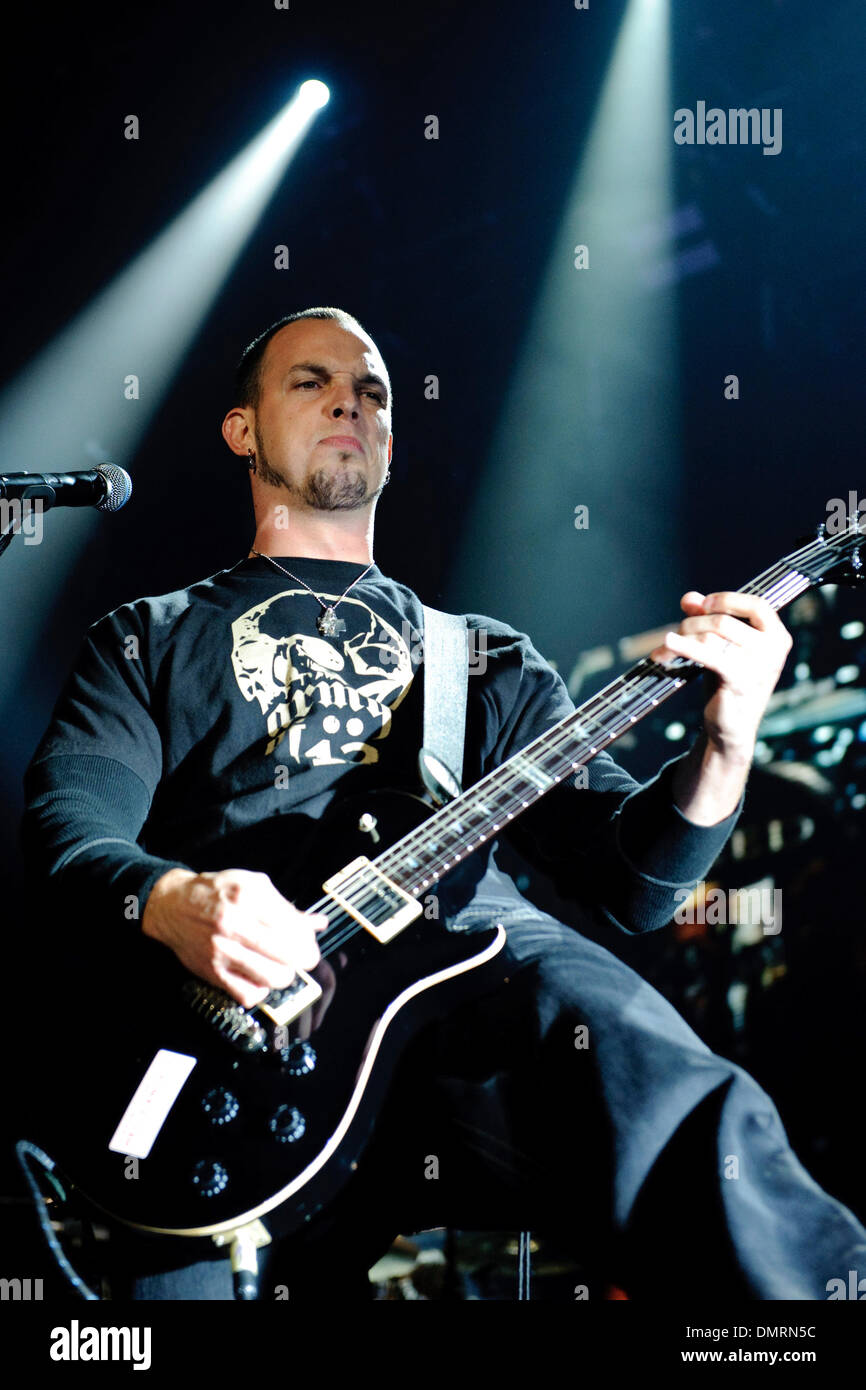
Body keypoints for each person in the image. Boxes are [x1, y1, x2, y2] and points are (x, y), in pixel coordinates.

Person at [21, 307, 866, 1301]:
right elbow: (69, 830)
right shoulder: (148, 636)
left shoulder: (483, 657)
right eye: (312, 380)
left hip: (463, 967)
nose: (351, 399)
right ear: (240, 429)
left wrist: (723, 744)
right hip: (229, 1025)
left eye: (372, 389)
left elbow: (629, 887)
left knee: (671, 1099)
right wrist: (177, 902)